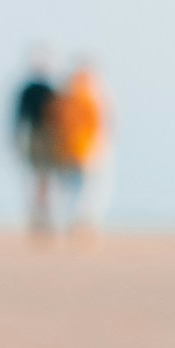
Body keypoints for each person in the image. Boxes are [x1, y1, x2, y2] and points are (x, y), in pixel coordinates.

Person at [50, 60, 112, 234]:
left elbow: (54, 124)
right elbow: (98, 125)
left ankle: (74, 220)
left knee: (72, 189)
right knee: (84, 189)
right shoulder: (86, 98)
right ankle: (80, 222)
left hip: (69, 150)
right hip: (83, 150)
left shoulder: (64, 98)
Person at [10, 50, 61, 236]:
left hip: (42, 137)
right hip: (40, 137)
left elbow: (19, 118)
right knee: (40, 179)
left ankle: (40, 218)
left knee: (42, 179)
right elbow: (20, 117)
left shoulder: (46, 90)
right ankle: (38, 218)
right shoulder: (40, 90)